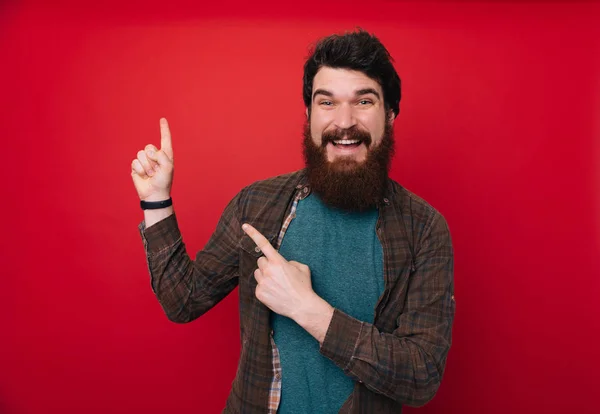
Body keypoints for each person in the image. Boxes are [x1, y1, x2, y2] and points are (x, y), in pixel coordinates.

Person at [131, 29, 455, 414]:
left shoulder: (424, 230)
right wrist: (157, 202)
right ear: (309, 114)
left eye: (363, 101)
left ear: (389, 115)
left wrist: (307, 308)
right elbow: (182, 301)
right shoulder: (258, 204)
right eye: (327, 102)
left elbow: (421, 376)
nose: (345, 121)